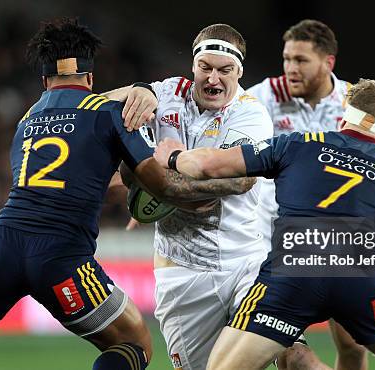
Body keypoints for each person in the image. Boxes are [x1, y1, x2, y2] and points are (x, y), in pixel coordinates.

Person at [0, 17, 215, 370]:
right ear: (90, 78)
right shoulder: (108, 112)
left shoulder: (26, 121)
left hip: (2, 249)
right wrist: (201, 195)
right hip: (61, 257)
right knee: (134, 344)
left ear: (44, 81)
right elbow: (159, 183)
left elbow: (71, 184)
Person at [154, 79, 375, 370]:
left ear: (345, 115)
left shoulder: (299, 143)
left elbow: (208, 164)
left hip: (294, 276)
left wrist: (173, 156)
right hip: (361, 282)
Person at [109, 24, 331, 370]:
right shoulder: (167, 92)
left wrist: (162, 183)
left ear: (239, 72)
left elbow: (238, 182)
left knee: (293, 354)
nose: (213, 79)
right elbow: (97, 107)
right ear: (193, 67)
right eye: (205, 68)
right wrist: (138, 90)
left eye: (225, 71)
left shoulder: (249, 112)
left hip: (246, 264)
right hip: (181, 274)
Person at [247, 19, 375, 370]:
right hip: (275, 240)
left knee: (353, 347)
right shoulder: (261, 98)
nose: (290, 69)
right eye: (286, 59)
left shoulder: (357, 104)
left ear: (328, 63)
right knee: (287, 352)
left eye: (301, 60)